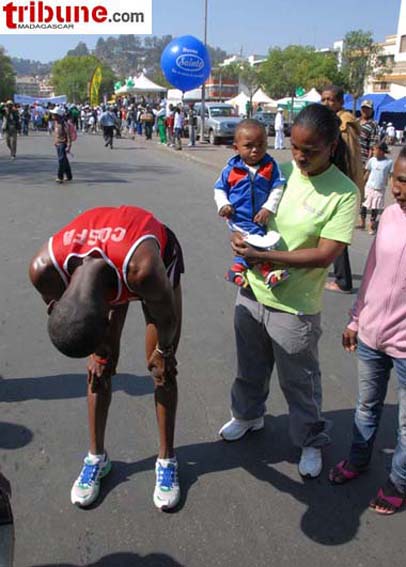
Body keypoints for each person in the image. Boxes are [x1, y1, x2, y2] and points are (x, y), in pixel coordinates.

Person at [218, 104, 358, 479]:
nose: (299, 157)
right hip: (252, 290)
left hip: (295, 306)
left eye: (309, 151)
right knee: (250, 367)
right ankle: (248, 416)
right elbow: (245, 209)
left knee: (299, 382)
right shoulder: (278, 171)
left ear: (331, 147)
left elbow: (325, 255)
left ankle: (311, 440)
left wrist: (266, 255)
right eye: (294, 147)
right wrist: (238, 234)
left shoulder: (344, 193)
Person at [28, 205, 184, 511]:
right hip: (110, 262)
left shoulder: (145, 271)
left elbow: (168, 319)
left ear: (107, 312)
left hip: (141, 255)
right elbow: (56, 310)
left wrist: (165, 351)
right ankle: (96, 457)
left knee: (162, 369)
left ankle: (167, 459)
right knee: (99, 368)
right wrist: (100, 352)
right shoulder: (43, 270)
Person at [329, 147, 406, 515]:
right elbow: (373, 270)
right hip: (372, 335)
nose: (399, 189)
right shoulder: (389, 215)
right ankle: (358, 460)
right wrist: (355, 319)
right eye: (398, 180)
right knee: (366, 407)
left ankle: (398, 482)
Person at [214, 119, 287, 287]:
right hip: (239, 216)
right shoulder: (231, 169)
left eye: (261, 145)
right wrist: (224, 205)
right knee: (254, 241)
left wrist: (267, 208)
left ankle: (238, 269)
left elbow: (278, 187)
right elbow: (219, 189)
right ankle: (266, 271)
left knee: (256, 242)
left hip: (260, 217)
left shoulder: (270, 166)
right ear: (236, 148)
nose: (255, 150)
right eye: (248, 146)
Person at [321, 85, 363, 294]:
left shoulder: (344, 125)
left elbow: (349, 159)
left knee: (335, 232)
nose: (327, 103)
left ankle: (343, 281)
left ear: (340, 102)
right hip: (328, 182)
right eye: (324, 99)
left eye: (331, 99)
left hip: (338, 184)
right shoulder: (330, 121)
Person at [358, 142, 393, 234]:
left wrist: (393, 187)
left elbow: (391, 176)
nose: (373, 151)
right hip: (369, 187)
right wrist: (362, 183)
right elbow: (367, 172)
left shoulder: (389, 162)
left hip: (379, 189)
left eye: (374, 150)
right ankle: (362, 223)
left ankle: (371, 225)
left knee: (375, 207)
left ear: (381, 151)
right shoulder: (372, 160)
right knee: (364, 205)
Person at [50, 107, 72, 184]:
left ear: (58, 115)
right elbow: (56, 133)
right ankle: (69, 175)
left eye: (54, 114)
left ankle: (60, 176)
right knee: (64, 160)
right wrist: (55, 141)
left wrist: (69, 145)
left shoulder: (64, 123)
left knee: (61, 160)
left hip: (63, 143)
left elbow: (68, 135)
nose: (52, 115)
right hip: (58, 143)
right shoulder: (56, 122)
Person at [357, 100, 379, 165]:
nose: (365, 110)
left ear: (371, 110)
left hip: (362, 160)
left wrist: (368, 162)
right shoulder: (355, 121)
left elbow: (373, 146)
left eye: (367, 109)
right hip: (350, 156)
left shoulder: (373, 125)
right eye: (363, 108)